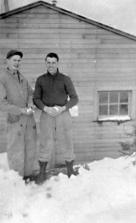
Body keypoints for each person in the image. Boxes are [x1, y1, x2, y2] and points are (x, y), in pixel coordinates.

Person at [33, 52, 79, 184]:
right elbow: (36, 98)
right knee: (45, 141)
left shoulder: (65, 79)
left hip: (63, 113)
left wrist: (63, 108)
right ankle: (42, 172)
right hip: (46, 113)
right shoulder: (40, 80)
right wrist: (45, 108)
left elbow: (75, 98)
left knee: (67, 139)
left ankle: (70, 170)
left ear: (57, 63)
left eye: (53, 62)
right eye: (48, 62)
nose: (51, 65)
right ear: (45, 63)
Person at [0, 49, 37, 181]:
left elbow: (31, 93)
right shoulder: (2, 77)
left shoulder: (22, 77)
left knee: (30, 149)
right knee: (16, 151)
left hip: (28, 120)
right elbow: (1, 103)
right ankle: (17, 182)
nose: (17, 62)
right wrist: (20, 110)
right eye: (14, 60)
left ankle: (28, 179)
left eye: (19, 60)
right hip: (15, 120)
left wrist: (30, 104)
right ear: (7, 61)